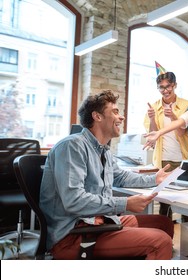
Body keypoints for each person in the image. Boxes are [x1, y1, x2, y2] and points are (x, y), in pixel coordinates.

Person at [40, 90, 174, 260]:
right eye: (115, 112)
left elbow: (120, 177)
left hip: (97, 221)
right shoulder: (72, 147)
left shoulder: (103, 150)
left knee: (163, 223)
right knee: (160, 241)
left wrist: (154, 179)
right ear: (97, 116)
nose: (122, 117)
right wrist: (125, 203)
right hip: (73, 234)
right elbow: (74, 200)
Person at [144, 62, 188, 217]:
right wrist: (152, 119)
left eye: (168, 86)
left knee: (187, 199)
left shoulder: (186, 105)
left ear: (175, 85)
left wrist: (173, 117)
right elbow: (152, 137)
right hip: (164, 161)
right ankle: (166, 238)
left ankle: (186, 235)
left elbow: (184, 132)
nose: (165, 90)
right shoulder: (154, 106)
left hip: (184, 158)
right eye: (161, 87)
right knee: (164, 202)